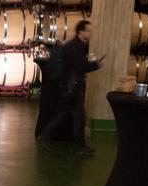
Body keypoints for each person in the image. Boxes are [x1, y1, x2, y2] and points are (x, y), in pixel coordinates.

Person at [37, 20, 102, 155]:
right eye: (88, 31)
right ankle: (76, 146)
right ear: (81, 32)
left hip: (69, 87)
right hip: (72, 87)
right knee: (75, 117)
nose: (91, 33)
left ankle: (50, 138)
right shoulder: (75, 47)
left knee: (69, 115)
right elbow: (80, 67)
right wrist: (96, 65)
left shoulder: (75, 46)